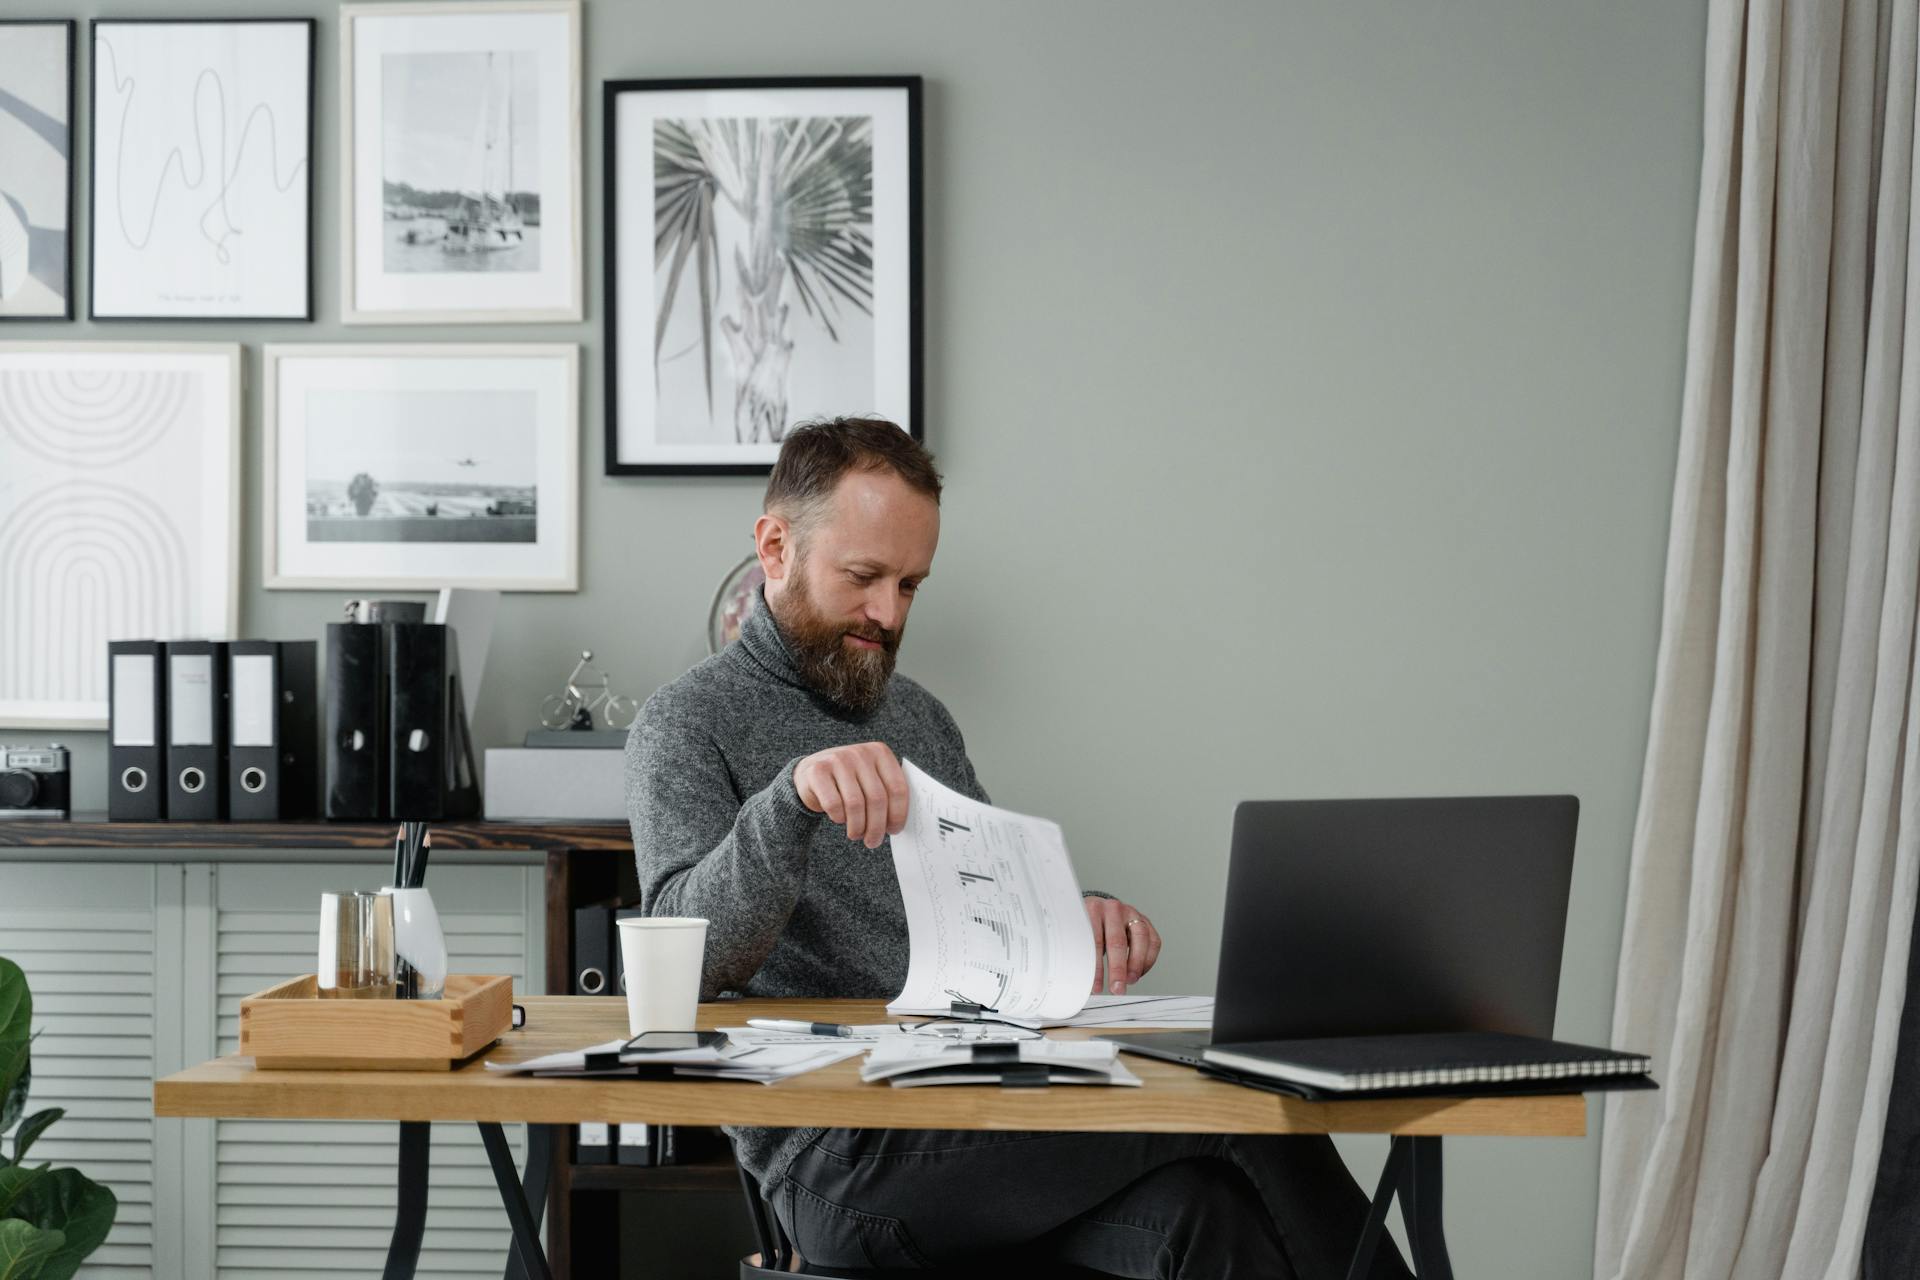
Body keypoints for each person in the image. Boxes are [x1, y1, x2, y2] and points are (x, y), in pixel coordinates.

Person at [626, 417, 1407, 1278]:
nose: (888, 613)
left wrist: (1076, 922)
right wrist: (791, 800)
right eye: (864, 577)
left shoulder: (919, 717)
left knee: (1202, 1215)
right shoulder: (686, 721)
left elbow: (988, 919)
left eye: (911, 585)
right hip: (841, 1158)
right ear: (776, 547)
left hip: (974, 1111)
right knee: (1229, 1107)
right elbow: (679, 957)